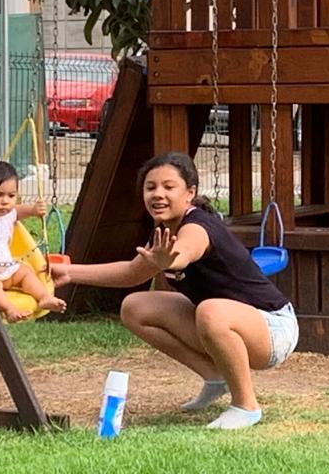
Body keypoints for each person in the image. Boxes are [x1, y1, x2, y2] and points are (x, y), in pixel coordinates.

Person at [49, 151, 299, 430]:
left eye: (169, 187)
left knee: (210, 309)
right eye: (150, 187)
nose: (158, 194)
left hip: (273, 328)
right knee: (135, 307)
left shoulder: (198, 226)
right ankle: (215, 377)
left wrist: (173, 259)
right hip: (226, 321)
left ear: (189, 192)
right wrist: (70, 273)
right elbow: (132, 273)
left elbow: (187, 250)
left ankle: (246, 406)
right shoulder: (165, 230)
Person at [0, 160, 67, 323]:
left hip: (8, 268)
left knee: (25, 272)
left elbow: (19, 210)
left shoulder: (9, 213)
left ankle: (44, 297)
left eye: (11, 195)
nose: (5, 201)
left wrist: (33, 210)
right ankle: (9, 309)